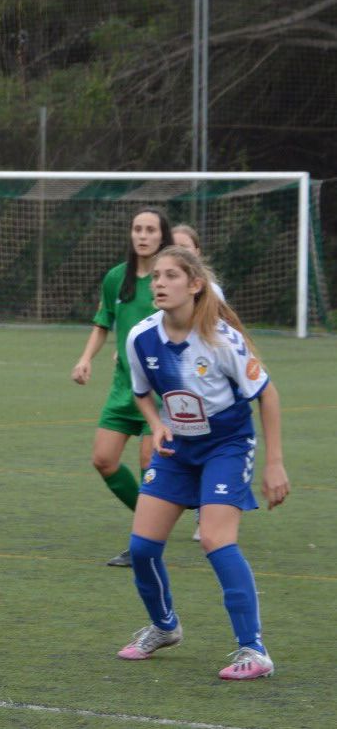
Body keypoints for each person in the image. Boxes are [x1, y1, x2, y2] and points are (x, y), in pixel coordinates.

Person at [117, 245, 288, 680]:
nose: (158, 283)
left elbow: (266, 393)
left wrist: (274, 464)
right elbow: (140, 392)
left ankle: (254, 650)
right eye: (155, 276)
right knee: (141, 548)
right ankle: (164, 626)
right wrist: (155, 423)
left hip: (226, 446)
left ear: (194, 285)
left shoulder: (220, 339)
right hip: (177, 449)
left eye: (170, 276)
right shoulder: (141, 337)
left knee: (215, 540)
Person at [71, 208, 173, 567]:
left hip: (160, 391)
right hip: (123, 388)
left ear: (163, 236)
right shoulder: (117, 278)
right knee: (103, 459)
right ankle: (153, 520)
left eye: (150, 230)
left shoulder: (169, 279)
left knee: (150, 462)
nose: (142, 235)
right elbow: (103, 323)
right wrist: (86, 359)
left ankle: (145, 541)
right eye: (137, 229)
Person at [170, 223, 224, 542]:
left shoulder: (211, 293)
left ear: (198, 253)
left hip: (207, 380)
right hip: (179, 384)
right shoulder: (164, 289)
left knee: (209, 443)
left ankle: (209, 510)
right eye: (173, 247)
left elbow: (222, 333)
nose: (181, 253)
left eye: (186, 248)